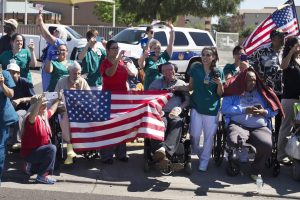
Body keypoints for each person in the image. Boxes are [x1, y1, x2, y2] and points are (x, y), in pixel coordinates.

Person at [222, 69, 282, 180]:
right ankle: (243, 148)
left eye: (254, 80)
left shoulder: (262, 92)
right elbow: (225, 109)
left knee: (267, 145)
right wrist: (245, 109)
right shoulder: (233, 91)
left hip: (259, 127)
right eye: (249, 80)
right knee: (233, 141)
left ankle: (256, 170)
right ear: (242, 80)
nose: (252, 83)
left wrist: (264, 112)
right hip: (238, 125)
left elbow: (275, 110)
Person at [173, 47, 225, 172]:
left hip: (212, 109)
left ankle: (204, 161)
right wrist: (176, 88)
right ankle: (199, 152)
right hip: (196, 106)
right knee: (194, 135)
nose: (205, 57)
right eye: (203, 55)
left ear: (213, 57)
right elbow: (190, 86)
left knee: (208, 137)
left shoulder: (218, 71)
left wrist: (220, 84)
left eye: (208, 55)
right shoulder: (195, 68)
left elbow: (220, 94)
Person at [100, 40, 137, 164]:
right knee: (109, 127)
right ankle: (107, 156)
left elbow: (130, 75)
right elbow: (110, 73)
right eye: (113, 48)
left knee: (122, 126)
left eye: (117, 48)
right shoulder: (104, 63)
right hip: (108, 98)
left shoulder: (122, 62)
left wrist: (129, 66)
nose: (116, 50)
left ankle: (121, 154)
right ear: (108, 50)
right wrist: (117, 60)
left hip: (122, 98)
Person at [148, 62, 189, 167]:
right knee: (159, 124)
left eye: (171, 69)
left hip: (175, 112)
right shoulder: (156, 83)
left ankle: (162, 151)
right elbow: (148, 98)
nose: (169, 72)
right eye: (165, 70)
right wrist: (157, 109)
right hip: (160, 112)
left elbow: (188, 100)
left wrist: (180, 108)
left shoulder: (181, 83)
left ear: (175, 70)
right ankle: (164, 155)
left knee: (177, 122)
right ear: (162, 72)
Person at [249, 28, 286, 136]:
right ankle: (266, 139)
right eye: (280, 37)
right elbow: (250, 62)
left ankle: (278, 142)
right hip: (267, 90)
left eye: (283, 36)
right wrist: (259, 76)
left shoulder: (286, 51)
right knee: (266, 116)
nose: (283, 38)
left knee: (281, 118)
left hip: (284, 90)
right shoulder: (262, 51)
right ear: (273, 39)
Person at [54, 61, 90, 165]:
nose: (77, 75)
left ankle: (77, 146)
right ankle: (70, 149)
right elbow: (55, 97)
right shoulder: (62, 81)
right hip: (64, 110)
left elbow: (89, 98)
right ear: (69, 72)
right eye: (75, 73)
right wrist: (61, 99)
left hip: (79, 111)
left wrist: (79, 93)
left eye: (79, 73)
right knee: (65, 116)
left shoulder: (82, 82)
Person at [21, 94, 60, 184]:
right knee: (52, 149)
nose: (45, 106)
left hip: (39, 150)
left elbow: (52, 110)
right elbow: (33, 116)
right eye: (42, 104)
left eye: (45, 104)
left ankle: (30, 167)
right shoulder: (31, 119)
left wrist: (58, 100)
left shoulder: (44, 115)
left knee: (56, 164)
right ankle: (42, 176)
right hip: (30, 152)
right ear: (35, 106)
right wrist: (39, 102)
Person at [277, 36, 300, 165]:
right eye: (298, 45)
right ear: (291, 46)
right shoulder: (287, 59)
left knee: (296, 129)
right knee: (286, 127)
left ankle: (293, 153)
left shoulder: (299, 59)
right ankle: (280, 155)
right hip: (289, 98)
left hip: (299, 99)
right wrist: (291, 52)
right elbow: (283, 66)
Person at [7, 60, 35, 150]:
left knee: (18, 115)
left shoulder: (25, 82)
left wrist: (20, 100)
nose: (11, 75)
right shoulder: (4, 83)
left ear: (18, 74)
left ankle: (18, 142)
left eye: (13, 73)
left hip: (23, 108)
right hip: (8, 108)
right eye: (9, 73)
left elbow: (34, 98)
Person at [138, 21, 175, 90]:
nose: (157, 50)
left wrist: (172, 29)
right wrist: (143, 56)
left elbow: (170, 44)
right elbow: (140, 64)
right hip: (149, 89)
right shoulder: (147, 59)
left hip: (162, 89)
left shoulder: (163, 57)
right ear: (150, 49)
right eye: (155, 48)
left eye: (159, 48)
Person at [36, 13, 67, 92]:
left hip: (52, 69)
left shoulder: (60, 42)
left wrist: (42, 22)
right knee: (46, 91)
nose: (54, 31)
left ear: (61, 34)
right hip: (47, 67)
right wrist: (39, 23)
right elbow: (43, 33)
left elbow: (47, 35)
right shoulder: (51, 43)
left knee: (50, 91)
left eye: (56, 30)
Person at [0, 68, 18, 183]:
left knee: (0, 147)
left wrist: (2, 84)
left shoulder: (5, 74)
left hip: (3, 118)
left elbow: (11, 94)